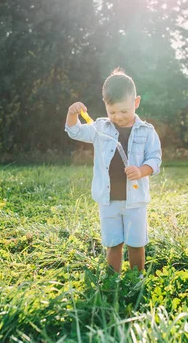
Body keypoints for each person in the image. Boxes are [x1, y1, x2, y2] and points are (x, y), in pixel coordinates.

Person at [65, 68, 162, 273]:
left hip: (135, 200)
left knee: (136, 243)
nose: (118, 116)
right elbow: (74, 131)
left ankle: (137, 278)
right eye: (112, 111)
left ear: (136, 102)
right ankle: (113, 278)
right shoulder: (100, 128)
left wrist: (141, 171)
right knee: (113, 243)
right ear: (105, 107)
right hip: (108, 199)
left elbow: (155, 159)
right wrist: (72, 114)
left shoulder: (147, 131)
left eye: (124, 111)